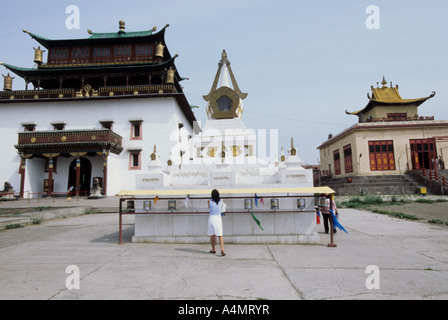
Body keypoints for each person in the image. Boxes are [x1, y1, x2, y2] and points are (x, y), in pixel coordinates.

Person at [207, 189, 225, 256]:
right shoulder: (221, 201)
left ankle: (213, 249)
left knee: (212, 235)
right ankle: (222, 249)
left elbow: (209, 208)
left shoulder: (209, 201)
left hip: (212, 218)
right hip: (218, 218)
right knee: (220, 235)